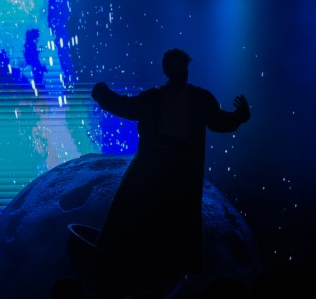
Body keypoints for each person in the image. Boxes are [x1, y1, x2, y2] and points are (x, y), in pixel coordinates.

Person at [90, 48, 250, 296]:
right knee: (141, 219)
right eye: (177, 68)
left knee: (174, 225)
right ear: (168, 70)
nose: (181, 73)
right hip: (153, 169)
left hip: (180, 172)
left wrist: (239, 117)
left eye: (183, 68)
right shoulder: (156, 99)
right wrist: (103, 95)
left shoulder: (199, 99)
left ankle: (165, 282)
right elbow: (126, 107)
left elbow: (219, 121)